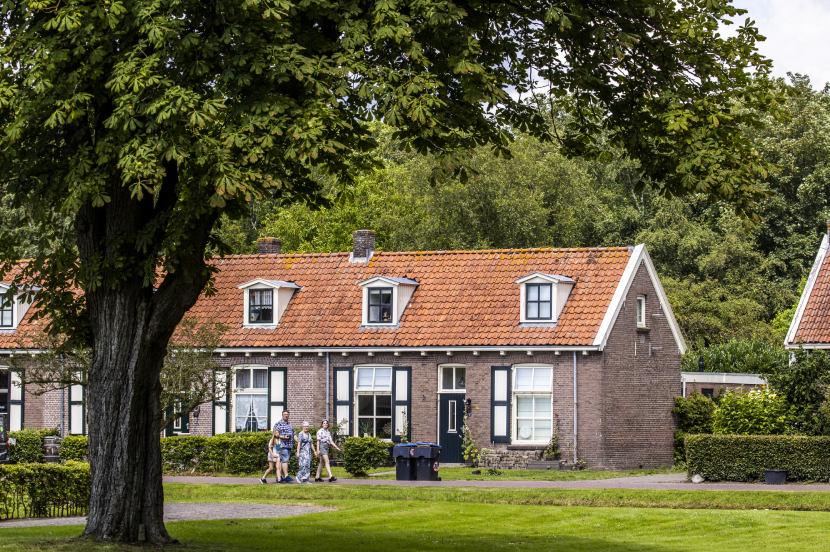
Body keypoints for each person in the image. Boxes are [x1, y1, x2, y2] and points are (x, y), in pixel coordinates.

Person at [273, 410, 297, 483]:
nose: (286, 416)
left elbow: (294, 434)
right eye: (284, 414)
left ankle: (279, 477)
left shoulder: (290, 425)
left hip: (289, 445)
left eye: (287, 414)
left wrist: (299, 441)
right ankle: (286, 476)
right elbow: (275, 434)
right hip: (282, 445)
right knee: (285, 460)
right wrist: (284, 437)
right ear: (282, 415)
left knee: (283, 461)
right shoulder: (278, 424)